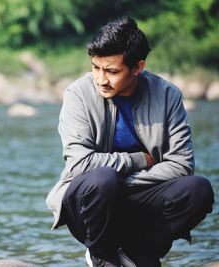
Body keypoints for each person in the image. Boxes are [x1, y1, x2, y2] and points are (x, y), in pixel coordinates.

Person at [46, 16, 214, 267]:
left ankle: (137, 251)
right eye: (95, 67)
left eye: (111, 71)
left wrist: (122, 184)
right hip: (91, 204)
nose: (101, 79)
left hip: (138, 200)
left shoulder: (167, 96)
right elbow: (80, 164)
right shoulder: (78, 94)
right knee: (103, 180)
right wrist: (139, 160)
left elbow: (181, 165)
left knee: (198, 190)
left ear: (138, 67)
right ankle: (101, 255)